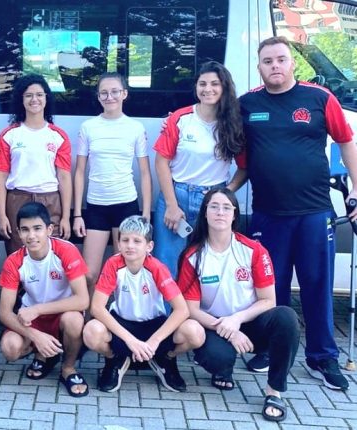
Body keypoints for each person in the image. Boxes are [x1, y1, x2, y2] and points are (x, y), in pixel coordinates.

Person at [239, 36, 357, 389]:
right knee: (269, 288)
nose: (275, 66)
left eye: (281, 59)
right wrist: (227, 191)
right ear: (259, 67)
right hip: (267, 213)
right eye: (267, 61)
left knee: (316, 286)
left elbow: (346, 141)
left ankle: (323, 358)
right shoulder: (247, 104)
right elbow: (242, 159)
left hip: (314, 212)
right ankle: (266, 349)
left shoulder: (320, 98)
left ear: (292, 63)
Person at [177, 188, 299, 422]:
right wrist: (230, 331)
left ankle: (274, 391)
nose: (220, 212)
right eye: (214, 206)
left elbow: (268, 300)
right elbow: (191, 309)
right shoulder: (193, 256)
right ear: (205, 213)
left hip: (250, 321)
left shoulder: (253, 250)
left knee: (286, 317)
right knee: (217, 358)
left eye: (226, 207)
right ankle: (223, 369)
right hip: (214, 326)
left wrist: (237, 320)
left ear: (234, 215)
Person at [83, 215, 204, 393]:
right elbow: (97, 307)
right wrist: (130, 340)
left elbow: (182, 310)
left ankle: (165, 359)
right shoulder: (113, 264)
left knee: (195, 332)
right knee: (91, 331)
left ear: (149, 246)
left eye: (137, 241)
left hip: (153, 325)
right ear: (119, 243)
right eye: (125, 240)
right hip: (123, 324)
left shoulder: (157, 268)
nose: (130, 245)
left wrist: (155, 341)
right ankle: (114, 359)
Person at [153, 61, 246, 278]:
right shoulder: (180, 118)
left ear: (224, 87)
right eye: (202, 84)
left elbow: (244, 167)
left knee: (208, 265)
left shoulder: (233, 123)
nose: (207, 89)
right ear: (196, 87)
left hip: (213, 200)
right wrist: (172, 206)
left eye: (215, 84)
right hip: (177, 196)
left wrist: (226, 193)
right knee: (168, 266)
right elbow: (161, 162)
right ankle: (170, 304)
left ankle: (198, 303)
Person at [0, 202, 90, 397]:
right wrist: (35, 336)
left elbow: (83, 300)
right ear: (18, 233)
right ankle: (44, 354)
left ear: (49, 229)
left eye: (37, 228)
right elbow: (4, 313)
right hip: (33, 319)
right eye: (25, 230)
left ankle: (68, 368)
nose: (31, 235)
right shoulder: (14, 261)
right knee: (10, 348)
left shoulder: (66, 250)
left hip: (62, 313)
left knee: (74, 320)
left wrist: (38, 309)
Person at [73, 72, 151, 297]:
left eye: (115, 92)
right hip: (96, 206)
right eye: (104, 93)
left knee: (125, 271)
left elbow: (145, 173)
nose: (110, 97)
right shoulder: (88, 127)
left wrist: (145, 213)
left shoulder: (135, 128)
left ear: (124, 94)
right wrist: (77, 214)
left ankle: (120, 316)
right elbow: (80, 172)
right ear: (98, 97)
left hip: (126, 205)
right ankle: (87, 317)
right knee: (90, 275)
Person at [0, 74, 72, 255]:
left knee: (51, 255)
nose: (34, 99)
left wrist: (66, 217)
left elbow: (64, 177)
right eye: (28, 95)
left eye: (39, 95)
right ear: (21, 100)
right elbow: (1, 176)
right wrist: (2, 215)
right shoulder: (9, 135)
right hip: (17, 199)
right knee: (18, 254)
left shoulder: (58, 136)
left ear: (46, 98)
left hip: (50, 201)